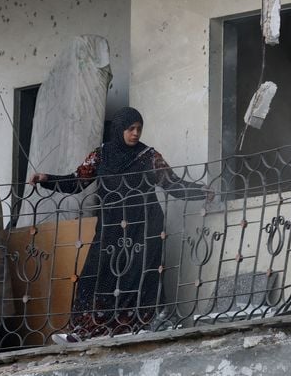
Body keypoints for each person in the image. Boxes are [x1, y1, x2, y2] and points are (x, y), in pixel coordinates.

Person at [29, 107, 212, 341]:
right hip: (111, 227)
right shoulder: (101, 155)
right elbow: (76, 182)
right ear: (119, 129)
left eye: (139, 129)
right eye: (130, 128)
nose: (135, 133)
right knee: (95, 276)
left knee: (139, 275)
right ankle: (86, 331)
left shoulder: (148, 156)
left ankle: (140, 327)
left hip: (145, 225)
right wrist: (47, 179)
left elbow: (172, 184)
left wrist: (200, 191)